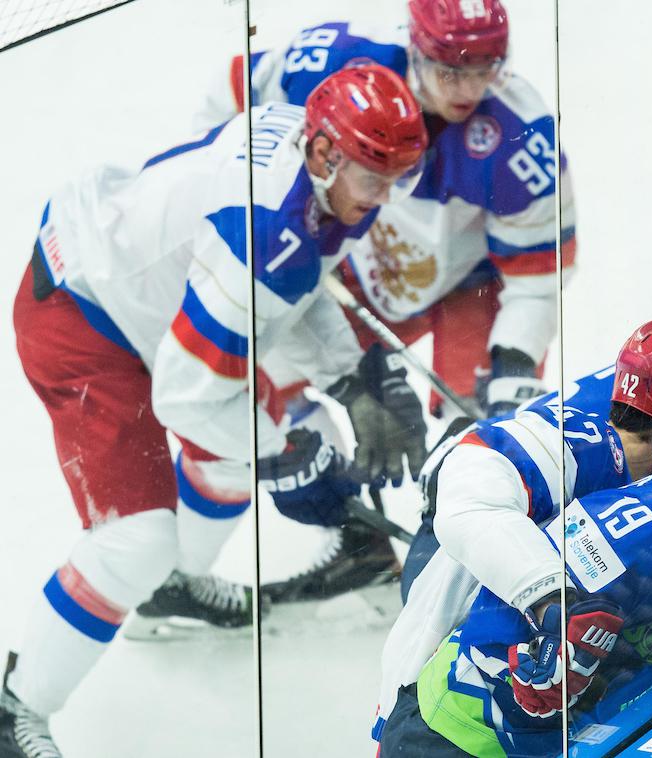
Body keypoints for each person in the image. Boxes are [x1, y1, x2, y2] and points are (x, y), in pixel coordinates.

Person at [0, 65, 428, 757]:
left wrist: (360, 377)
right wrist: (289, 464)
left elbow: (299, 282)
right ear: (324, 155)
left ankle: (167, 587)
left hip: (136, 287)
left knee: (231, 439)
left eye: (399, 178)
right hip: (78, 315)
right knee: (134, 539)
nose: (386, 199)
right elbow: (187, 394)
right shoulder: (264, 230)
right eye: (376, 179)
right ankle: (13, 712)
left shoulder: (316, 164)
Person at [198, 0, 575, 606]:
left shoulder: (519, 134)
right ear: (415, 47)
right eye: (451, 70)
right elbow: (233, 94)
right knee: (261, 380)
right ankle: (357, 542)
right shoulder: (340, 57)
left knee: (488, 437)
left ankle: (491, 573)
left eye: (485, 69)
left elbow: (536, 274)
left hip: (468, 289)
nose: (469, 88)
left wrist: (510, 370)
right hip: (349, 262)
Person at [371, 319, 652, 741]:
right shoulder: (591, 445)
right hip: (439, 711)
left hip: (495, 717)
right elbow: (468, 472)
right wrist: (551, 599)